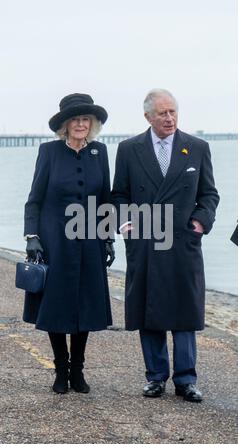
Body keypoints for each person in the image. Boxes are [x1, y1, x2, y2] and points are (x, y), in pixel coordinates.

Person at [111, 89, 219, 402]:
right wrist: (125, 223)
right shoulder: (130, 149)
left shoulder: (197, 147)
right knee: (150, 309)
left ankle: (186, 380)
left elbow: (209, 194)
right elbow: (119, 195)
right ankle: (155, 377)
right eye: (162, 113)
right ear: (148, 117)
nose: (169, 118)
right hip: (144, 242)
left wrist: (200, 222)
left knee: (185, 311)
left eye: (173, 112)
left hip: (183, 242)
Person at [23, 93, 115, 394]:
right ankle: (60, 369)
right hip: (55, 241)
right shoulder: (49, 152)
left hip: (90, 241)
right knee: (57, 304)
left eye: (85, 119)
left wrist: (108, 237)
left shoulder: (99, 152)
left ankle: (78, 370)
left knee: (85, 304)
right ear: (65, 125)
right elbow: (34, 199)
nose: (80, 123)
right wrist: (32, 237)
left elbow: (105, 200)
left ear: (92, 123)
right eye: (75, 119)